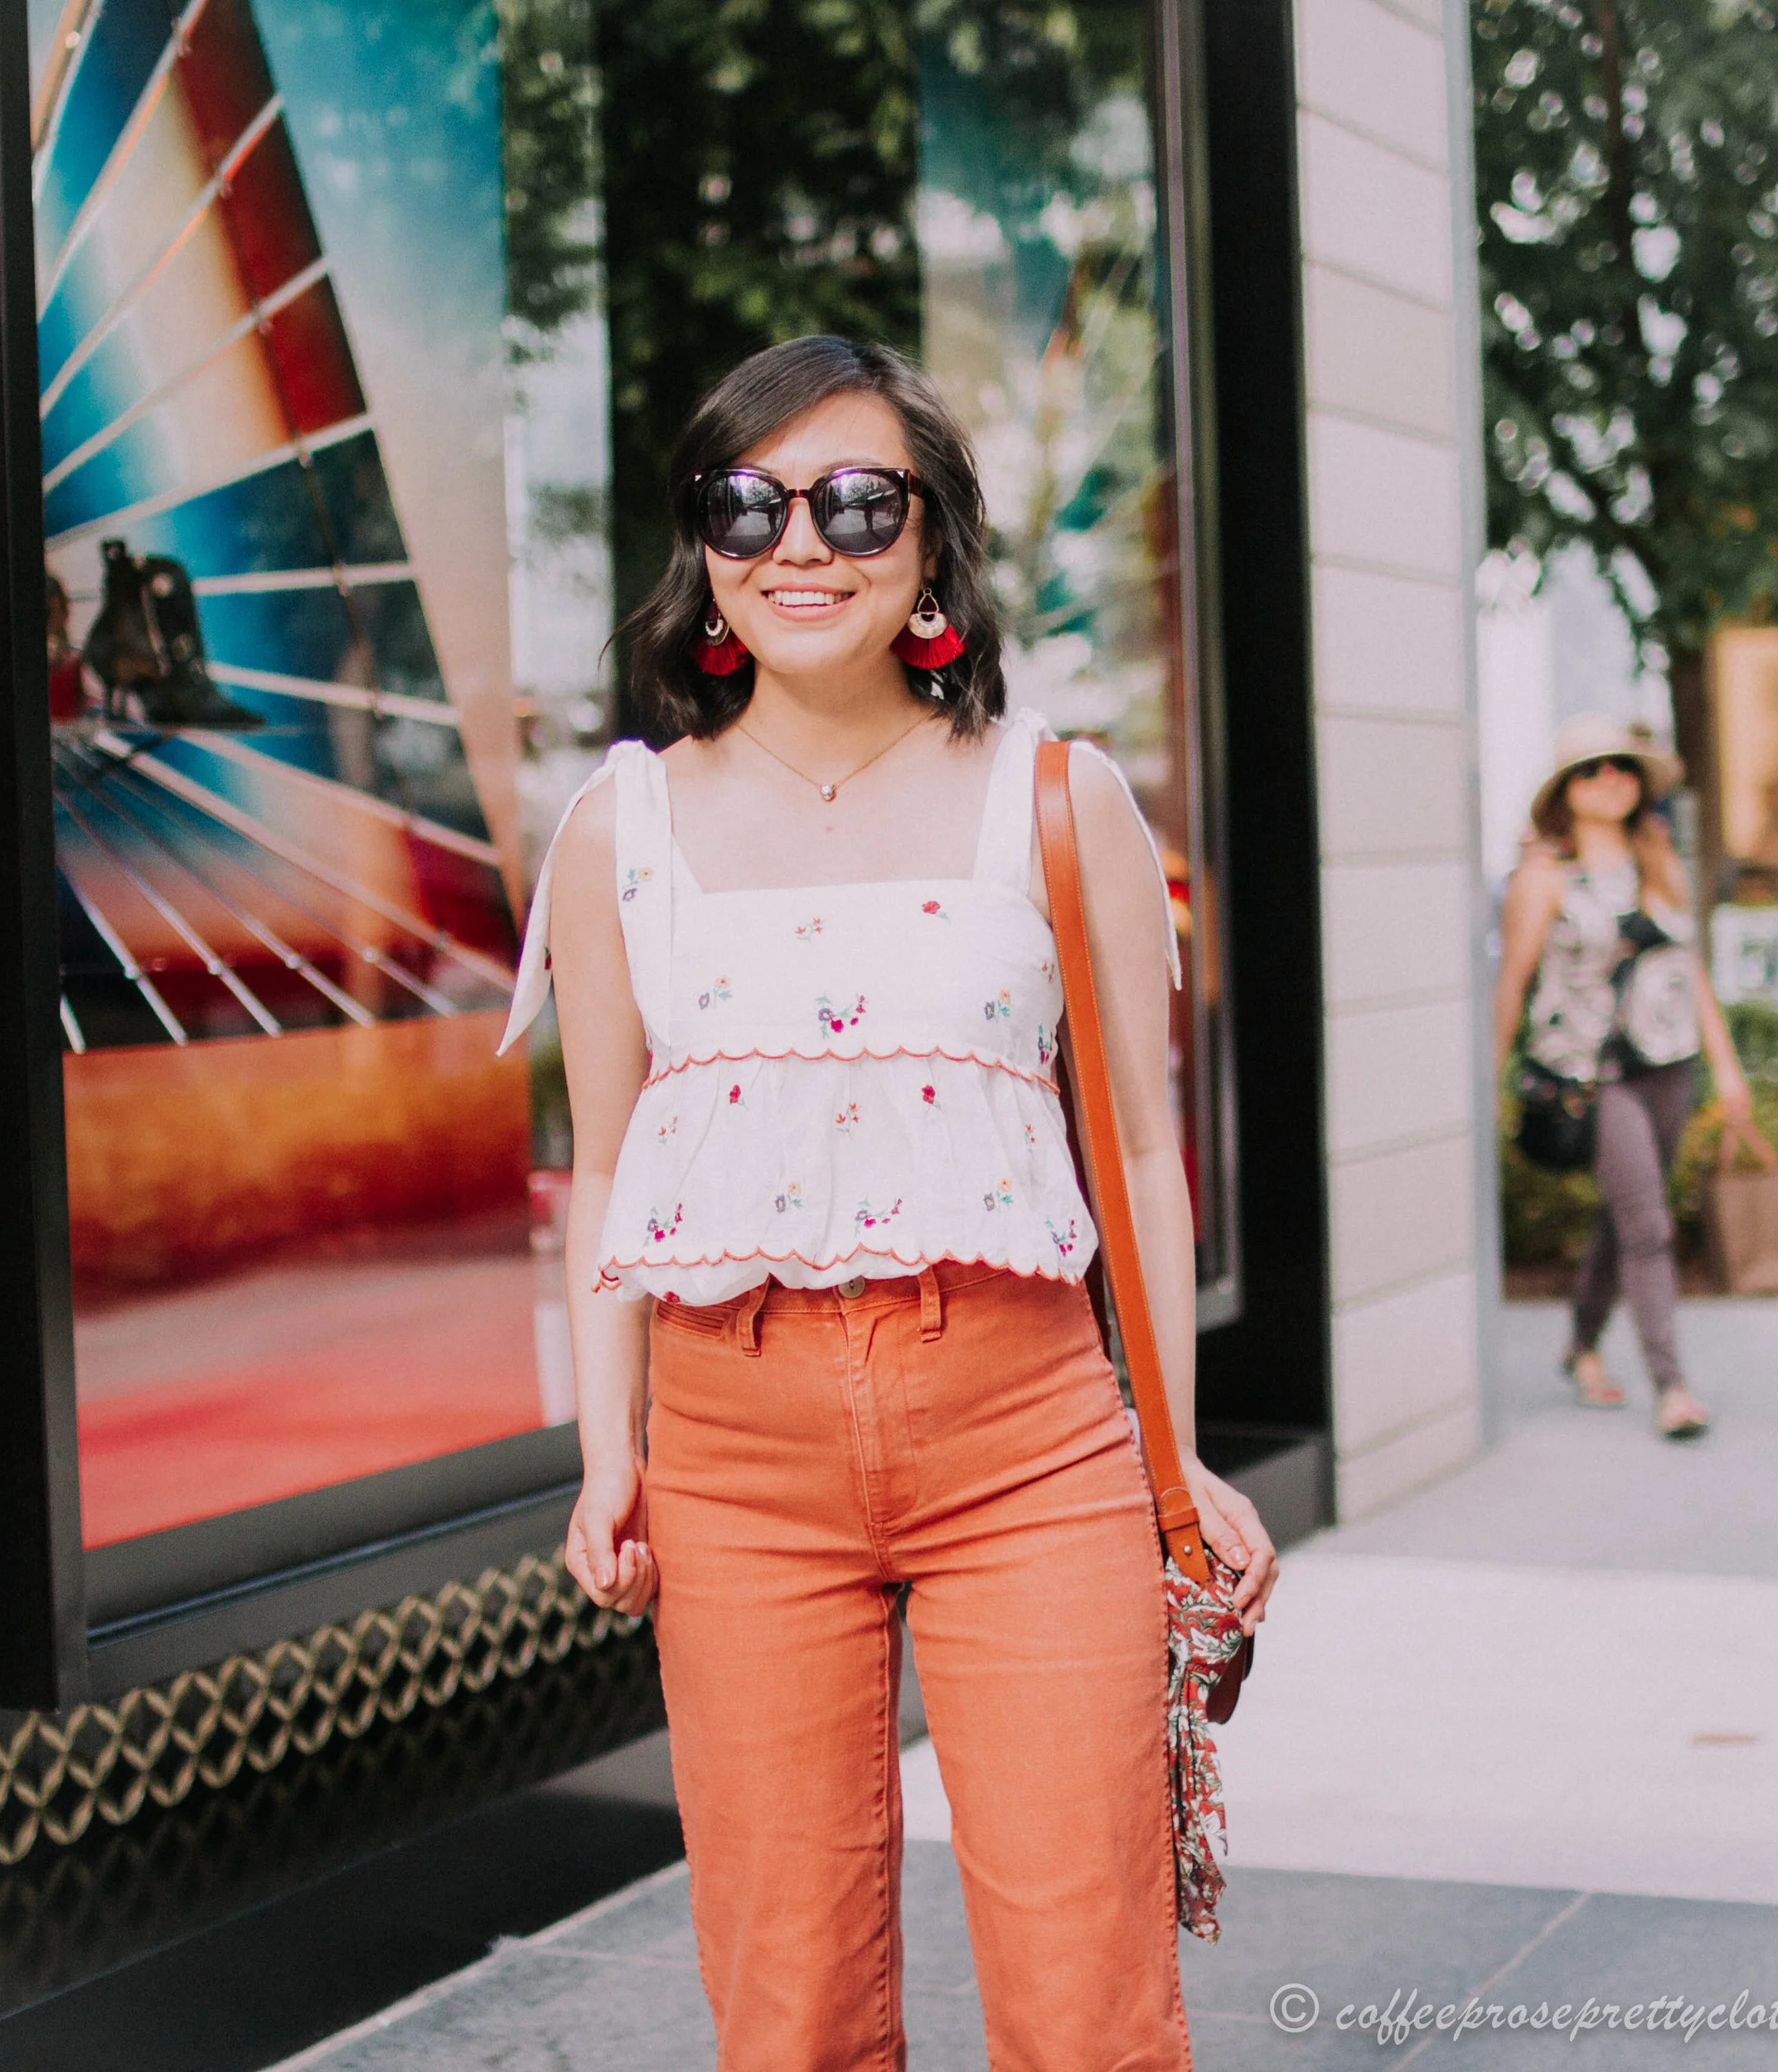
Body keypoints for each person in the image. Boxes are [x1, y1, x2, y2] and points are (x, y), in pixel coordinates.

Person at [498, 335, 1277, 2069]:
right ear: (698, 546)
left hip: (1026, 1431)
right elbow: (610, 1159)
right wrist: (603, 1445)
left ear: (932, 543)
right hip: (731, 1444)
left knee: (1086, 1996)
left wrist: (1172, 1456)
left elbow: (1138, 1148)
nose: (802, 544)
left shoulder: (1056, 798)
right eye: (747, 503)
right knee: (787, 2008)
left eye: (857, 501)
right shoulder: (615, 827)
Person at [1493, 714, 1751, 1440]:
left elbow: (1687, 970)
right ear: (1565, 793)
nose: (1611, 779)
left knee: (1626, 1214)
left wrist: (1728, 1071)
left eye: (1622, 768)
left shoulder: (1658, 860)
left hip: (1669, 1066)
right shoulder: (1543, 880)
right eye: (1592, 770)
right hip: (1593, 1073)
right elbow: (1511, 984)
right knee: (1648, 1224)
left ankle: (1580, 1344)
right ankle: (1671, 1386)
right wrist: (1490, 1080)